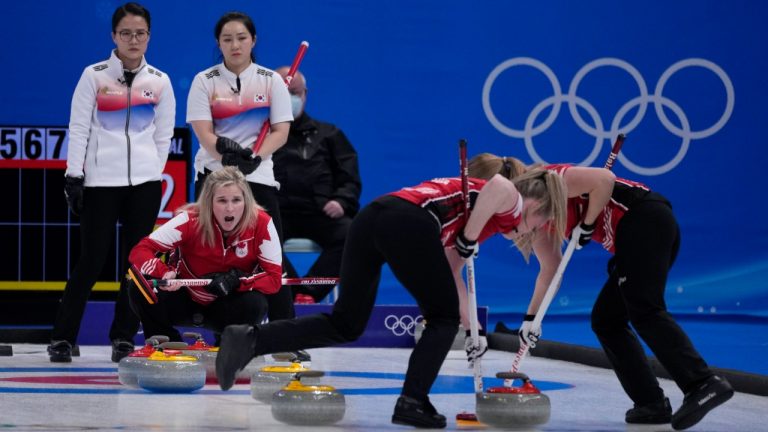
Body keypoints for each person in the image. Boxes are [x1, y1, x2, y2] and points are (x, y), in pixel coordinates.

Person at [215, 170, 568, 429]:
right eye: (541, 220)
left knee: (346, 323)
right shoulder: (513, 203)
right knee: (441, 318)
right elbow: (501, 185)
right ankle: (413, 400)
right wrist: (470, 235)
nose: (533, 230)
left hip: (373, 218)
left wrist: (472, 327)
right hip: (406, 220)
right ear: (536, 203)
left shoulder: (488, 217)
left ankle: (250, 339)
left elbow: (453, 270)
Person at [469, 153, 734, 431]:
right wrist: (530, 320)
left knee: (645, 309)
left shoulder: (547, 180)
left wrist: (588, 222)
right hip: (635, 234)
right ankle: (650, 402)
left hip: (645, 220)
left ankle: (702, 383)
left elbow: (604, 179)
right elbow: (550, 268)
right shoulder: (535, 216)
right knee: (607, 320)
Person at [49, 2, 176, 363]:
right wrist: (74, 175)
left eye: (140, 33)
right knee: (90, 260)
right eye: (126, 33)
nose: (133, 40)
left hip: (145, 185)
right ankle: (62, 337)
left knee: (135, 264)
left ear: (149, 36)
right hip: (100, 183)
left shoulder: (160, 81)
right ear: (113, 36)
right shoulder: (94, 75)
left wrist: (153, 170)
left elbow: (163, 134)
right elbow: (78, 128)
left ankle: (122, 337)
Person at [186, 11, 295, 323]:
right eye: (227, 39)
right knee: (213, 253)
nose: (235, 45)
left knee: (272, 253)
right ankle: (221, 328)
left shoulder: (271, 80)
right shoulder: (203, 81)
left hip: (258, 176)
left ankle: (284, 331)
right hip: (213, 176)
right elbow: (204, 133)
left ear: (253, 40)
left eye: (241, 38)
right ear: (218, 44)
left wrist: (255, 158)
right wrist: (227, 158)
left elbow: (281, 132)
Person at [126, 167, 282, 341]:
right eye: (222, 200)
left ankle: (231, 344)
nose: (230, 208)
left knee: (255, 303)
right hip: (183, 299)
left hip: (227, 305)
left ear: (246, 201)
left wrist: (237, 281)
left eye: (236, 200)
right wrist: (163, 272)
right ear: (209, 202)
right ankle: (166, 342)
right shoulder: (190, 220)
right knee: (138, 286)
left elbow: (274, 280)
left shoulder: (262, 223)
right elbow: (139, 251)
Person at [271, 67, 362, 303]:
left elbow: (349, 177)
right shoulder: (260, 135)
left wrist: (342, 200)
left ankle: (308, 295)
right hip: (277, 213)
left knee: (353, 233)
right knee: (259, 239)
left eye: (294, 92)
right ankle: (288, 296)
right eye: (282, 93)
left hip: (320, 210)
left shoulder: (329, 134)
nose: (289, 98)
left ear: (305, 94)